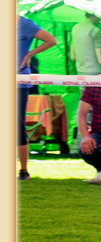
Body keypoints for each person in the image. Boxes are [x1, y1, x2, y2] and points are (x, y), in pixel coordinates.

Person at [17, 15, 58, 180]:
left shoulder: (24, 24)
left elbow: (51, 40)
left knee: (17, 125)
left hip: (18, 81)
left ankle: (23, 170)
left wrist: (29, 55)